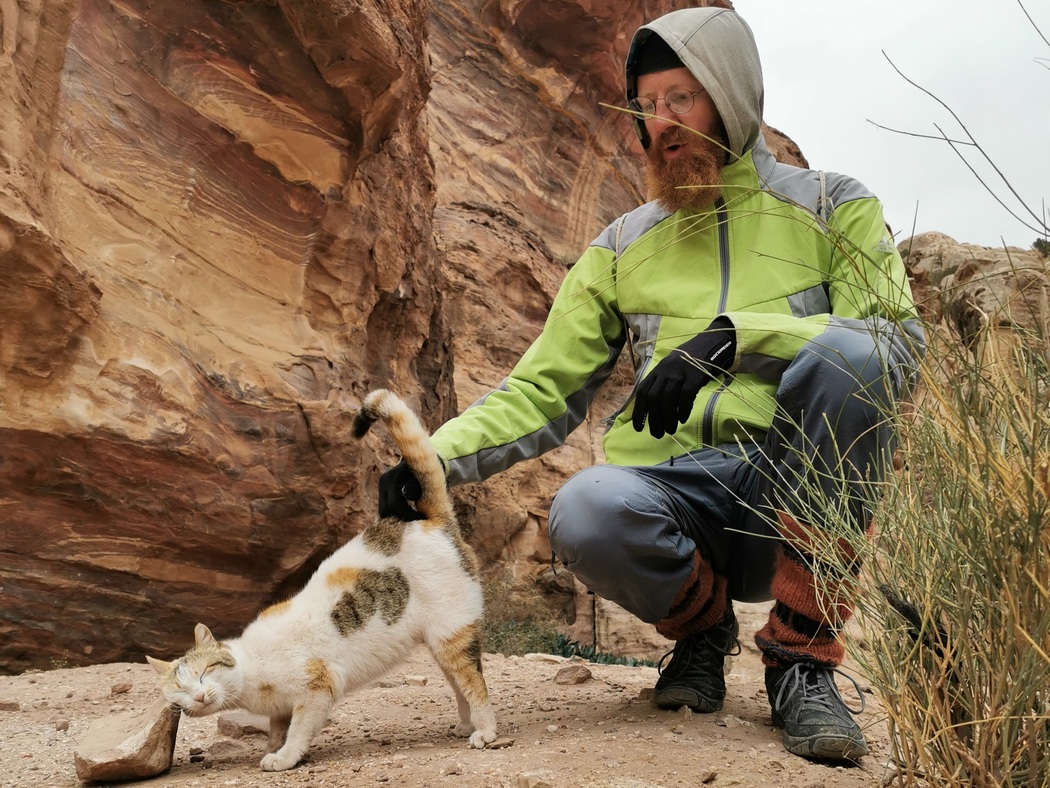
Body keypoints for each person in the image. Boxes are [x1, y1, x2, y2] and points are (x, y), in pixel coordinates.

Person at [378, 6, 924, 763]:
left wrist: (734, 338)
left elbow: (896, 342)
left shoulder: (833, 207)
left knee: (855, 358)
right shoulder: (622, 246)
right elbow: (539, 389)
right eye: (647, 103)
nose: (660, 121)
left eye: (682, 98)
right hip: (676, 500)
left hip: (795, 492)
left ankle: (802, 664)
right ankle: (701, 635)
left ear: (731, 97)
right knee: (586, 507)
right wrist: (430, 459)